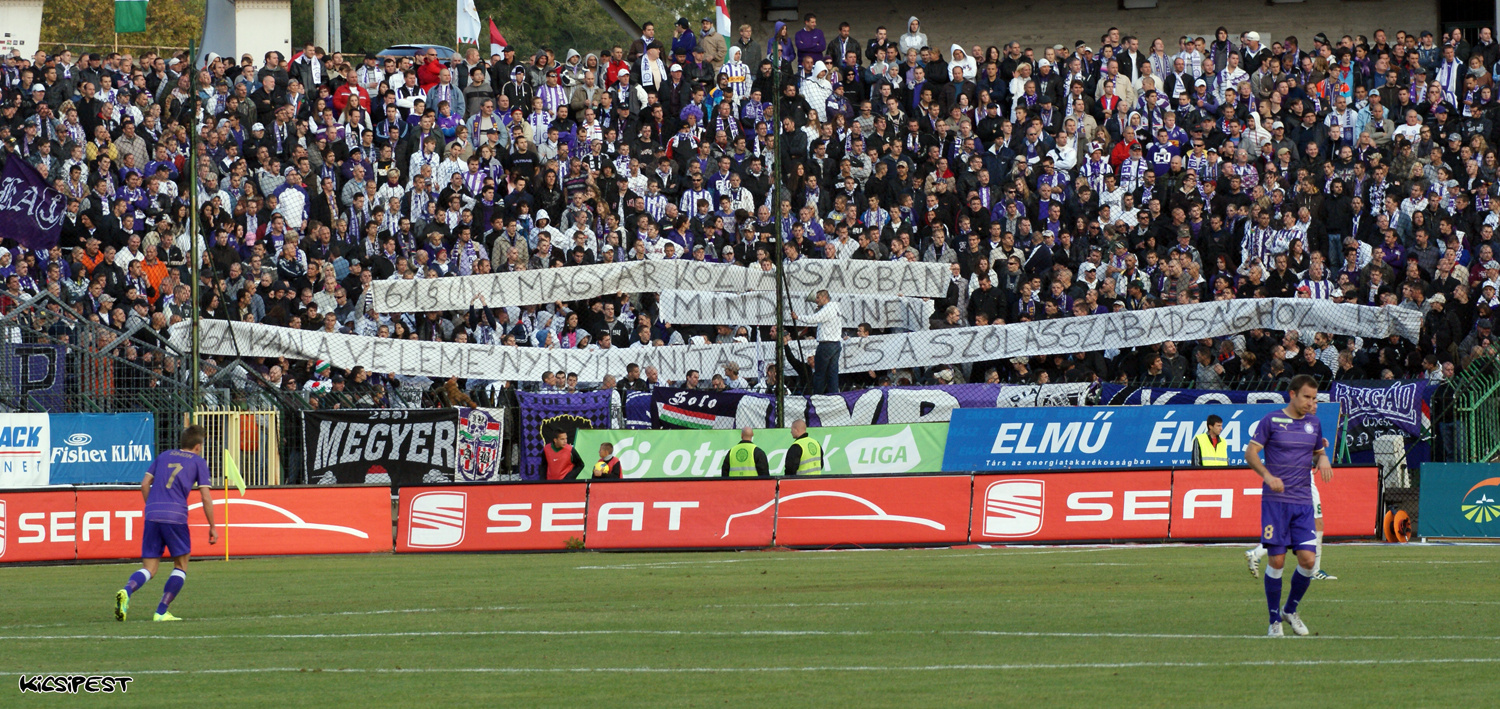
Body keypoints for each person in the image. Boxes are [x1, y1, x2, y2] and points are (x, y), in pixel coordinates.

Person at [1244, 374, 1334, 637]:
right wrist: (1268, 476)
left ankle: (1290, 609)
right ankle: (1274, 620)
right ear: (1292, 394)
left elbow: (1317, 453)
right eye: (1307, 397)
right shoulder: (1271, 420)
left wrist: (1324, 458)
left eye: (1314, 398)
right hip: (1276, 503)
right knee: (1278, 559)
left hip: (1303, 503)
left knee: (1307, 561)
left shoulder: (1314, 424)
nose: (1311, 402)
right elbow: (1250, 453)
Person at [115, 425, 217, 622]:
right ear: (198, 446)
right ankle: (161, 611)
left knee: (150, 569)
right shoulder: (198, 462)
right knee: (181, 564)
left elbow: (144, 484)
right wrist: (212, 526)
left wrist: (152, 505)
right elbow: (206, 497)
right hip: (176, 516)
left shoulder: (163, 456)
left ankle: (126, 591)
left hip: (153, 514)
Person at [792, 289, 842, 394]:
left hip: (826, 345)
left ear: (825, 297)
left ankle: (817, 396)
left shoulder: (828, 309)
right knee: (832, 373)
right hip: (836, 344)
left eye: (818, 297)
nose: (816, 300)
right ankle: (834, 395)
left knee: (819, 373)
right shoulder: (835, 306)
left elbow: (814, 319)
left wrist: (798, 317)